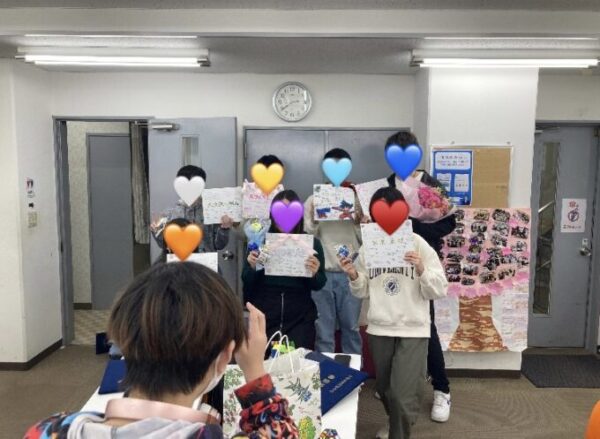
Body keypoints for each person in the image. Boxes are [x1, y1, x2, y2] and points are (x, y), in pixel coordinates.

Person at [25, 262, 298, 439]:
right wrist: (255, 372)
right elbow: (281, 433)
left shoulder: (48, 431)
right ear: (224, 357)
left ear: (123, 339)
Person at [340, 187, 448, 439]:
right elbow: (363, 290)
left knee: (402, 394)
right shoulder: (370, 246)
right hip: (380, 327)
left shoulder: (417, 243)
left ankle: (399, 431)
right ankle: (397, 422)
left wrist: (421, 268)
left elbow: (439, 288)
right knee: (386, 389)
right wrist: (353, 275)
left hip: (413, 328)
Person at [386, 130, 456, 423]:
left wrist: (412, 226)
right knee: (392, 323)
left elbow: (448, 224)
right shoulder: (385, 185)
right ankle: (395, 385)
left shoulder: (431, 185)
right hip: (390, 265)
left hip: (422, 263)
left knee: (426, 325)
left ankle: (442, 389)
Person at [242, 190, 327, 350]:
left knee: (298, 358)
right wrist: (253, 267)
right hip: (266, 309)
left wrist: (314, 273)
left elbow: (320, 283)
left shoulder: (312, 243)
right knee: (265, 358)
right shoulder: (260, 241)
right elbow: (246, 278)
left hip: (300, 314)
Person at [304, 148, 363, 354]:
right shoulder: (314, 200)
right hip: (323, 272)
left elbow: (366, 239)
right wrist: (314, 218)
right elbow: (308, 235)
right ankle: (326, 372)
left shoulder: (358, 199)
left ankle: (353, 373)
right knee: (323, 331)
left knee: (351, 328)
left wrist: (359, 221)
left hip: (351, 272)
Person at [150, 165, 233, 253]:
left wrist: (224, 229)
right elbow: (163, 245)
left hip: (206, 260)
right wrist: (156, 231)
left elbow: (219, 245)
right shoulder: (169, 214)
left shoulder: (211, 211)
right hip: (179, 260)